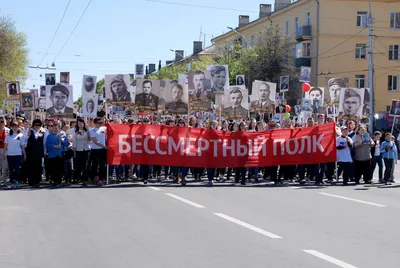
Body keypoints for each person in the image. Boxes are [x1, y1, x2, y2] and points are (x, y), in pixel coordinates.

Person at [3, 122, 25, 188]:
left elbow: (22, 146)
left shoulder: (21, 135)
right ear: (11, 127)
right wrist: (4, 153)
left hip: (18, 154)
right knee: (11, 169)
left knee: (17, 169)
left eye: (16, 126)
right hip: (10, 155)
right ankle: (12, 182)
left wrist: (24, 154)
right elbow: (5, 145)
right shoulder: (8, 135)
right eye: (13, 126)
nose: (15, 128)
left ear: (18, 127)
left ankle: (18, 181)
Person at [25, 119, 46, 187]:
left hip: (39, 153)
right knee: (31, 167)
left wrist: (44, 152)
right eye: (35, 125)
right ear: (33, 125)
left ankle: (37, 181)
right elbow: (25, 141)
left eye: (38, 125)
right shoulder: (29, 131)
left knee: (38, 168)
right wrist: (28, 136)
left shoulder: (43, 132)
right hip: (31, 153)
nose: (37, 126)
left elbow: (44, 143)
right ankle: (31, 181)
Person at [90, 117, 108, 186]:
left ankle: (100, 179)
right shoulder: (92, 130)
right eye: (100, 123)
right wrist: (103, 146)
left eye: (102, 123)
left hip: (102, 150)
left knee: (102, 165)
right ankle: (95, 177)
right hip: (95, 149)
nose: (101, 124)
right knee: (94, 164)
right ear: (95, 123)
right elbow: (95, 141)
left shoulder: (104, 129)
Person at [73, 118, 91, 186]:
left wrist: (88, 131)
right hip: (78, 149)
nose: (80, 124)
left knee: (85, 165)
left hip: (86, 149)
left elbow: (89, 139)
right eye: (79, 123)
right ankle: (77, 178)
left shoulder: (87, 131)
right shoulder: (75, 131)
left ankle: (84, 179)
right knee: (78, 165)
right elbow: (74, 140)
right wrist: (74, 150)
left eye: (81, 123)